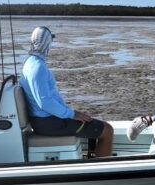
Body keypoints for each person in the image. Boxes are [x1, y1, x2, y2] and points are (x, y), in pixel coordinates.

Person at [20, 26, 114, 158]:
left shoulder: (29, 62)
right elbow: (45, 102)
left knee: (90, 121)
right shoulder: (38, 67)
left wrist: (70, 113)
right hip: (49, 122)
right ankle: (103, 171)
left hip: (44, 120)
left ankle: (93, 160)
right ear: (46, 42)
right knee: (107, 130)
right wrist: (72, 113)